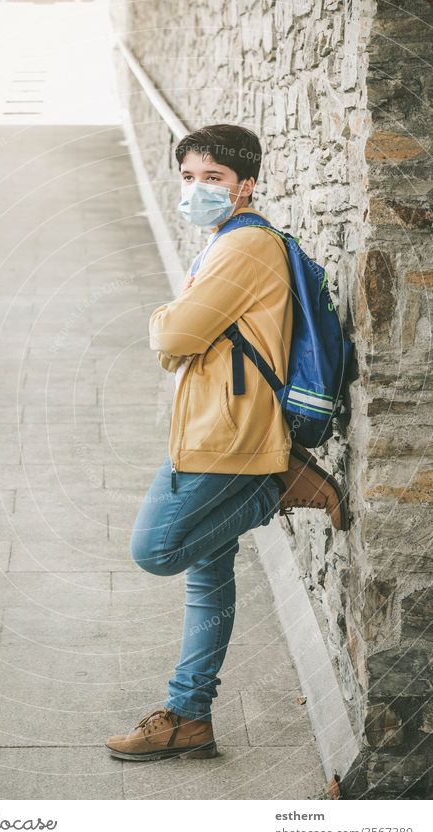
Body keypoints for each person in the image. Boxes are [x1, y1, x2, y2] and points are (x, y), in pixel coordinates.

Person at [106, 124, 346, 762]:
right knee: (207, 572)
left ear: (246, 185)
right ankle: (189, 717)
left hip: (229, 435)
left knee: (158, 550)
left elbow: (173, 335)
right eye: (188, 178)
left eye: (211, 178)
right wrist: (180, 327)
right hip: (212, 426)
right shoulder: (222, 243)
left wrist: (164, 318)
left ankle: (280, 488)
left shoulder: (243, 246)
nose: (196, 190)